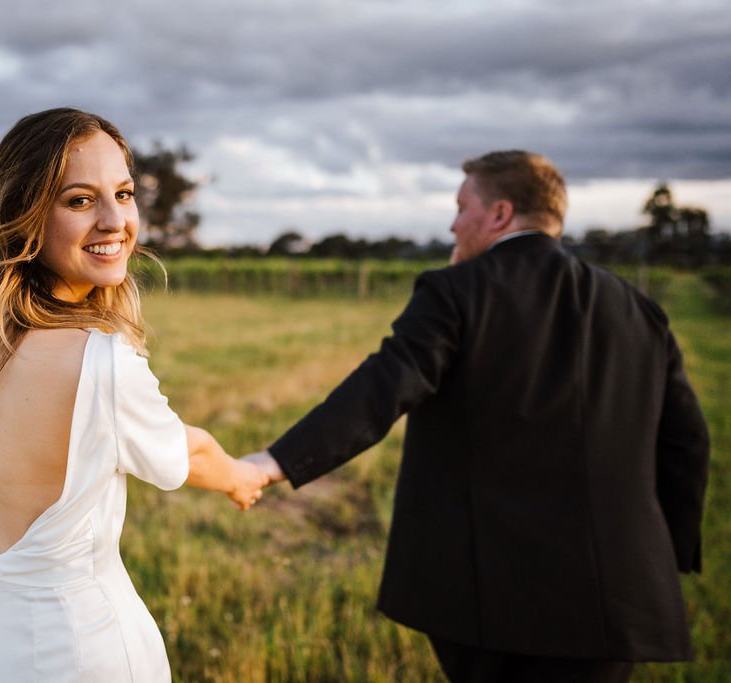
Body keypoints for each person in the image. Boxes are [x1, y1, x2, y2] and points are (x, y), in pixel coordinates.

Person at [244, 150, 709, 682]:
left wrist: (273, 463)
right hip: (616, 594)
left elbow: (382, 388)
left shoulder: (457, 290)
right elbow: (687, 441)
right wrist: (663, 556)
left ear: (500, 213)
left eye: (462, 207)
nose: (453, 224)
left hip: (489, 598)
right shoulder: (637, 308)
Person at [0, 108, 268, 682]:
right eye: (79, 200)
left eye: (123, 194)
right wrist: (241, 476)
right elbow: (189, 454)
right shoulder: (100, 364)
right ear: (25, 213)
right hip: (77, 651)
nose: (114, 221)